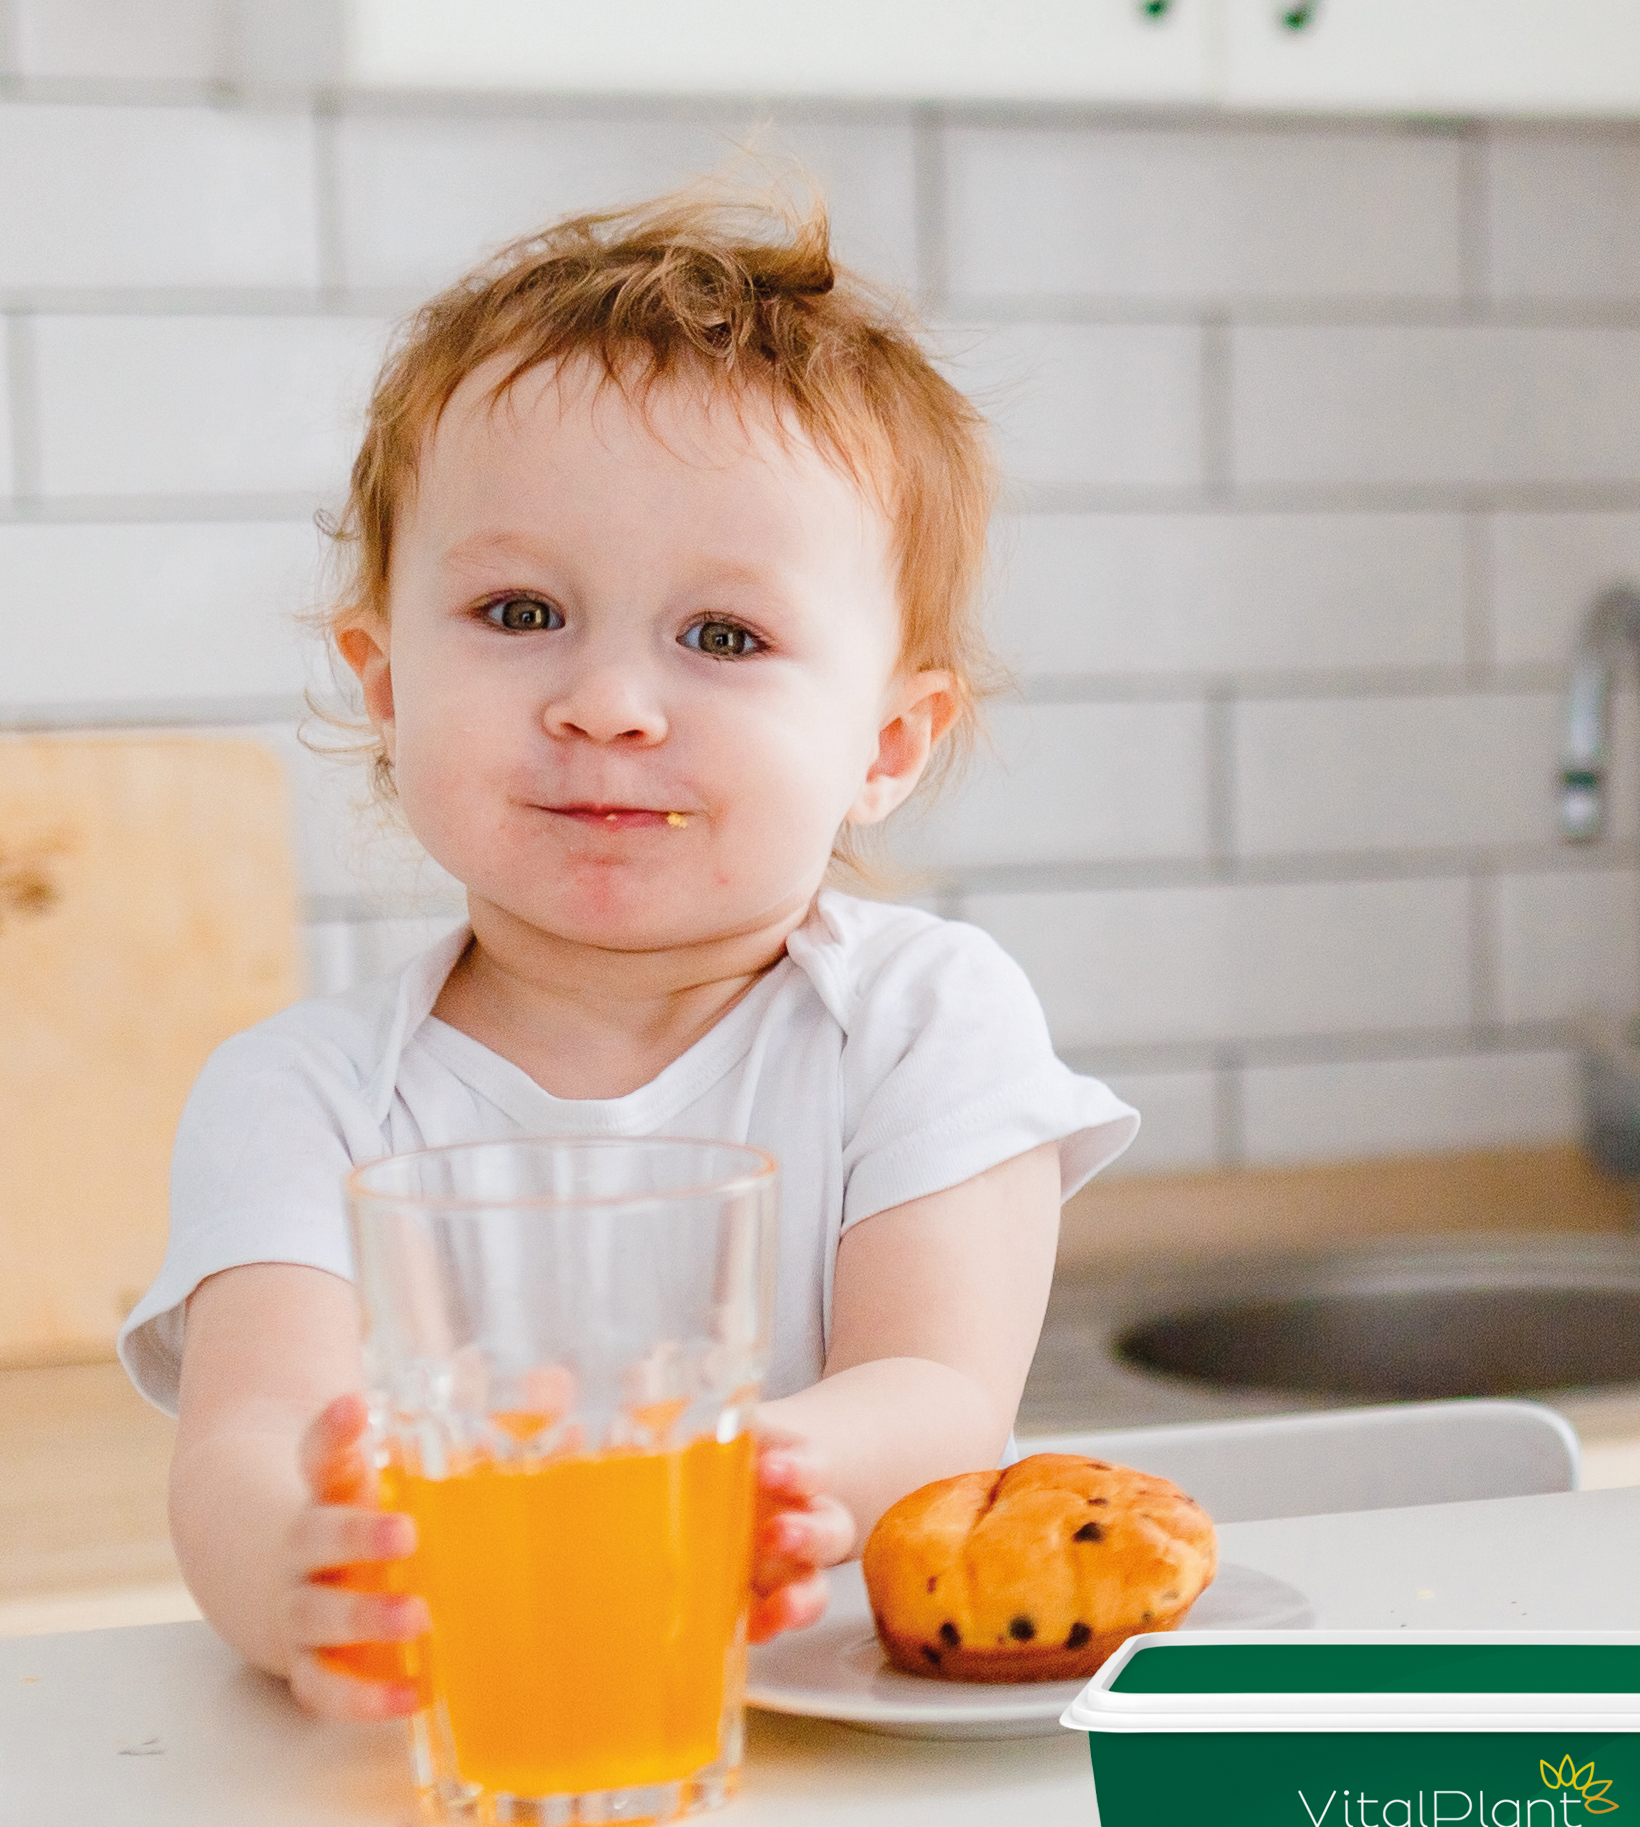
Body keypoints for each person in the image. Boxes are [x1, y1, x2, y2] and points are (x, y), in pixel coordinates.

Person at [134, 195, 1134, 1719]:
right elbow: (244, 1448)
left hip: (820, 1771)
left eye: (723, 637)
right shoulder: (302, 1097)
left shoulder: (926, 1022)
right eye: (520, 610)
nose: (607, 701)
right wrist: (304, 1577)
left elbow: (938, 1398)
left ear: (886, 742)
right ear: (385, 684)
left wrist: (744, 1486)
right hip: (461, 1756)